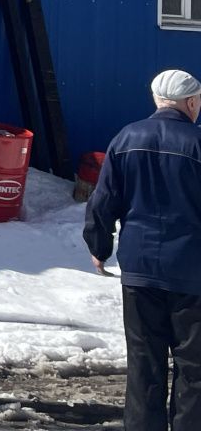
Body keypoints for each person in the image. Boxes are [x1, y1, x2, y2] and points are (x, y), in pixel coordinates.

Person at [84, 69, 201, 431]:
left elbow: (103, 202)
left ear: (156, 100)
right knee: (194, 368)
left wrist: (99, 246)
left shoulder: (126, 138)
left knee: (144, 362)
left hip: (139, 270)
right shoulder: (198, 144)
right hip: (192, 273)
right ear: (192, 102)